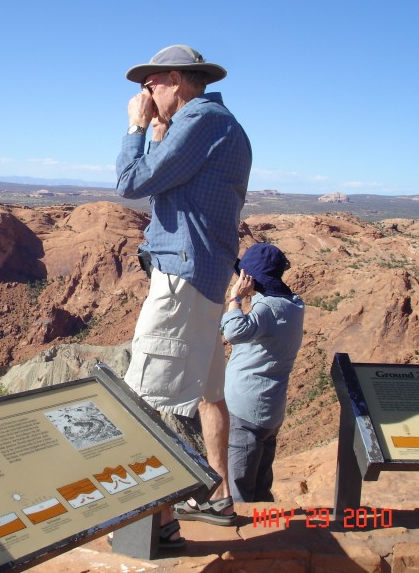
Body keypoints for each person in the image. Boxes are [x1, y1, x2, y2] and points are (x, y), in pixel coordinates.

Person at [116, 44, 252, 544]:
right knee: (209, 394)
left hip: (181, 284)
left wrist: (135, 128)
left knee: (148, 398)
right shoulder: (215, 123)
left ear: (175, 79)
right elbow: (172, 185)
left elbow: (133, 182)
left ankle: (158, 526)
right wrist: (157, 132)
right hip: (205, 281)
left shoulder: (200, 121)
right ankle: (216, 497)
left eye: (149, 85)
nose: (144, 96)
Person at [221, 243, 305, 503]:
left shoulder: (268, 308)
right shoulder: (293, 305)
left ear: (249, 278)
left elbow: (233, 332)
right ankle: (270, 531)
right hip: (269, 409)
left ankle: (250, 538)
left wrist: (235, 299)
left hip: (245, 409)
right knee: (260, 484)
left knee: (239, 488)